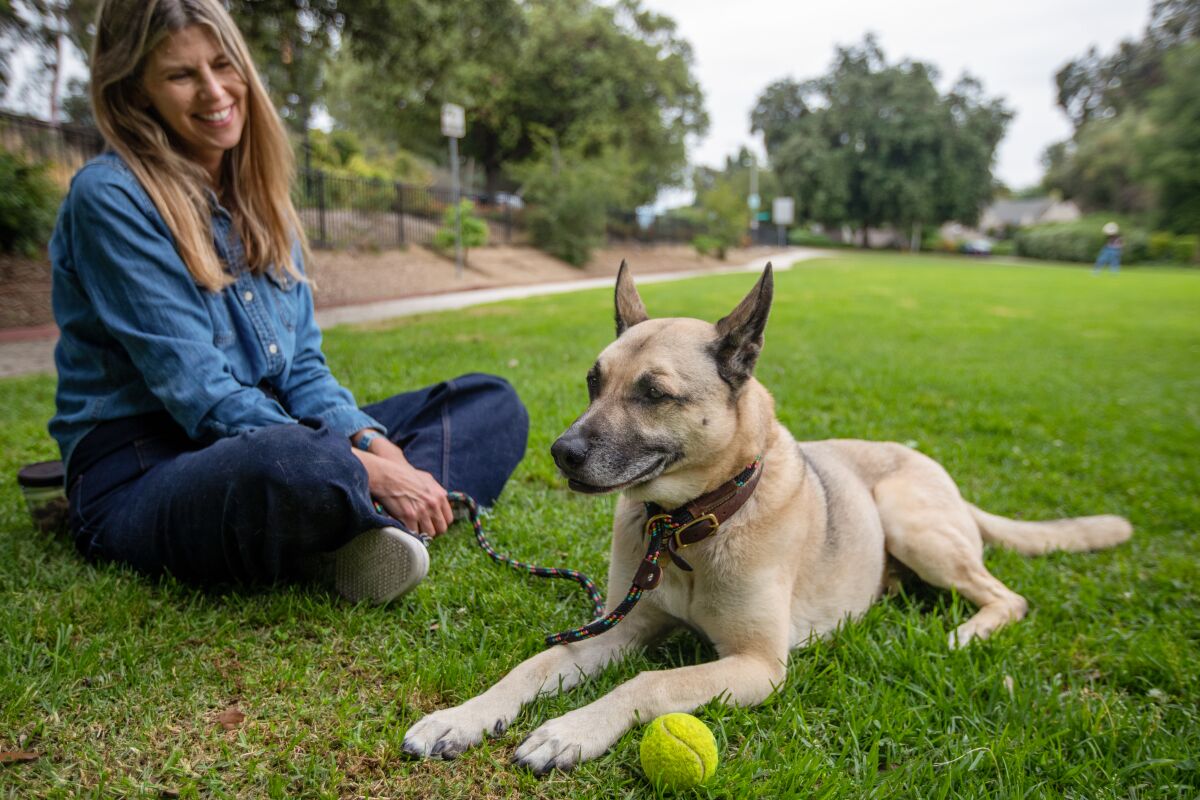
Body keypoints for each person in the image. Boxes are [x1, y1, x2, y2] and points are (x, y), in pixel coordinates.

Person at [48, 0, 528, 604]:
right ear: (136, 92)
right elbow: (202, 394)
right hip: (147, 465)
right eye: (180, 75)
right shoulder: (111, 196)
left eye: (224, 65)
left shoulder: (261, 197)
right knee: (287, 462)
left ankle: (356, 524)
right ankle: (360, 515)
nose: (214, 91)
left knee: (491, 403)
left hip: (274, 432)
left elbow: (302, 369)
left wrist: (375, 446)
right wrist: (361, 467)